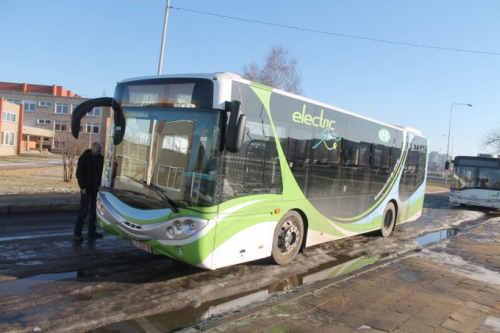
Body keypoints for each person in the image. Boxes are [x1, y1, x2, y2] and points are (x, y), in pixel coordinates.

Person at [74, 142, 104, 241]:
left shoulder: (100, 159)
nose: (99, 150)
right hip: (86, 189)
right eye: (98, 148)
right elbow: (79, 173)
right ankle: (77, 234)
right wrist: (82, 187)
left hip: (96, 189)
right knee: (83, 212)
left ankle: (92, 232)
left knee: (94, 212)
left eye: (100, 148)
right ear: (92, 148)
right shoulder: (84, 158)